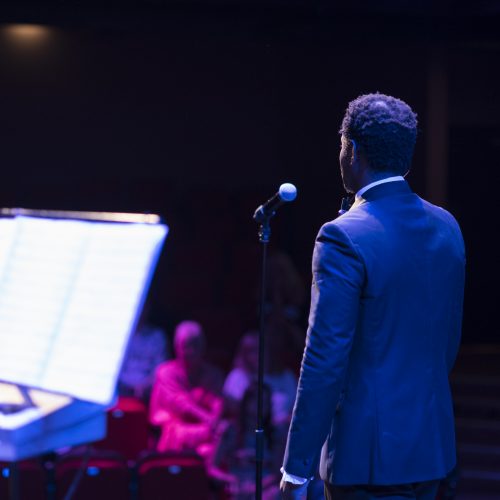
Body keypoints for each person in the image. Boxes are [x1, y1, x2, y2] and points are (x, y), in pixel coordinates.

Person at [280, 93, 465, 499]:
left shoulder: (342, 235)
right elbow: (446, 346)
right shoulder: (447, 227)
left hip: (367, 460)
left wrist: (297, 468)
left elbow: (324, 359)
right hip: (433, 451)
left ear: (353, 150)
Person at [149, 320, 234, 483]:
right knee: (184, 436)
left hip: (205, 432)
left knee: (226, 432)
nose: (190, 351)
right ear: (176, 347)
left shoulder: (213, 374)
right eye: (185, 346)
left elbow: (217, 403)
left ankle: (211, 472)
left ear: (203, 347)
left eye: (195, 345)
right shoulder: (165, 372)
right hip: (176, 432)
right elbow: (180, 403)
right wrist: (208, 419)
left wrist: (215, 418)